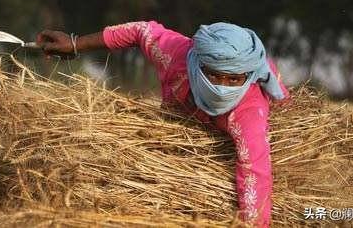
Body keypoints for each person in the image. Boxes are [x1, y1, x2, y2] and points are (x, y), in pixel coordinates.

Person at [36, 21, 289, 227]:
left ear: (247, 75)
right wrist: (75, 43)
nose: (222, 87)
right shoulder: (178, 54)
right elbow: (140, 30)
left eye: (233, 79)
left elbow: (256, 173)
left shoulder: (248, 113)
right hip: (180, 115)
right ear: (198, 63)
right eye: (214, 75)